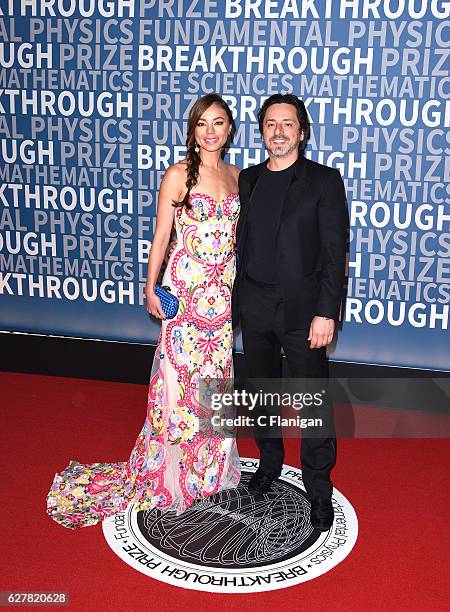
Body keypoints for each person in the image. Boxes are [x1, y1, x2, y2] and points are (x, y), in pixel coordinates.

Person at [47, 94, 241, 529]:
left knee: (215, 384)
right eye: (202, 124)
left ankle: (206, 473)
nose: (211, 131)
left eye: (219, 123)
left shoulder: (237, 176)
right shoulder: (178, 175)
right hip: (185, 295)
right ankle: (171, 474)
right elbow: (161, 237)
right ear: (192, 130)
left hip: (221, 300)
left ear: (230, 130)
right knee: (177, 385)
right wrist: (151, 287)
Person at [233, 94, 349, 531]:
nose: (278, 131)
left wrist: (326, 312)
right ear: (261, 132)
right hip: (255, 305)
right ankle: (268, 464)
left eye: (287, 124)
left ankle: (319, 491)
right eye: (269, 124)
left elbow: (335, 253)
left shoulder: (324, 181)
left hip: (303, 313)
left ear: (302, 132)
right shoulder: (248, 180)